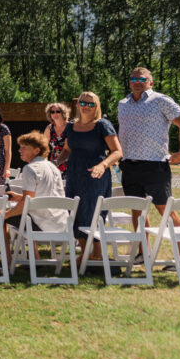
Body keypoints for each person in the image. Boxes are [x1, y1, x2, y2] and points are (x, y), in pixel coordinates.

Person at [117, 67, 180, 261]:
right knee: (137, 210)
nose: (136, 81)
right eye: (133, 78)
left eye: (142, 79)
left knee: (165, 210)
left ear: (150, 82)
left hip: (155, 166)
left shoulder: (160, 100)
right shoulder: (123, 103)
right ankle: (144, 253)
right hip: (129, 165)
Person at [58, 91, 122, 252]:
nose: (86, 106)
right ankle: (87, 253)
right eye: (83, 103)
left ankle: (97, 253)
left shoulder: (102, 125)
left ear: (96, 107)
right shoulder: (71, 125)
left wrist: (103, 165)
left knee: (93, 212)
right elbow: (67, 149)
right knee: (75, 211)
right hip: (74, 174)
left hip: (96, 176)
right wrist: (56, 162)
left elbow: (117, 152)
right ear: (78, 105)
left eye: (91, 104)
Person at [1, 132, 69, 267]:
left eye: (24, 147)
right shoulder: (52, 167)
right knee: (24, 216)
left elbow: (26, 203)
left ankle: (7, 262)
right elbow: (46, 196)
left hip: (42, 223)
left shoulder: (30, 169)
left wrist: (4, 215)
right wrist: (20, 197)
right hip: (61, 221)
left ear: (37, 150)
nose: (19, 150)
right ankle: (35, 257)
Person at [43, 102, 71, 176]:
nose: (55, 114)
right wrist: (44, 162)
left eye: (58, 111)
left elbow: (66, 149)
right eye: (52, 112)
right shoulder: (49, 128)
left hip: (70, 164)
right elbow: (43, 147)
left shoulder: (70, 127)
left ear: (63, 113)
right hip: (54, 165)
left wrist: (56, 162)